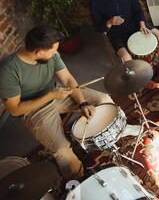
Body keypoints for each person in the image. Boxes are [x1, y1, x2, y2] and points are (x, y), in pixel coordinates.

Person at [0, 26, 113, 180]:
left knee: (104, 100)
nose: (55, 54)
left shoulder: (50, 54)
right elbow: (15, 110)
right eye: (52, 52)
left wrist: (83, 104)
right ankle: (78, 179)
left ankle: (103, 139)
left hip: (57, 93)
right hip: (34, 110)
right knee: (62, 151)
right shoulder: (8, 71)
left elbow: (67, 79)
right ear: (39, 52)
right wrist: (51, 95)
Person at [90, 0, 159, 84]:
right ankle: (141, 79)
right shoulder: (95, 1)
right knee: (126, 58)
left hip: (137, 25)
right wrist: (109, 22)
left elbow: (138, 10)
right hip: (117, 34)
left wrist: (142, 24)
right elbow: (98, 28)